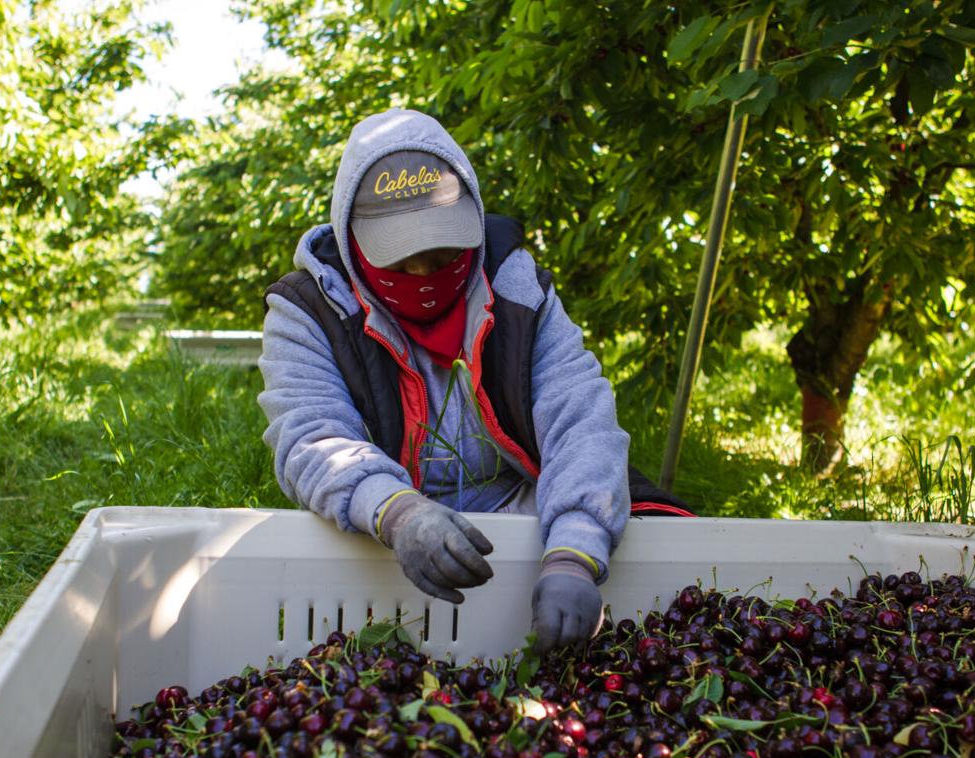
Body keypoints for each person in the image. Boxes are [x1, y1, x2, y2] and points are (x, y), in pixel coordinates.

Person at [258, 109, 690, 653]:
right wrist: (398, 510)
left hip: (519, 508)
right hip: (379, 529)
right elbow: (313, 437)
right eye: (401, 259)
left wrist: (574, 553)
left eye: (442, 254)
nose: (423, 276)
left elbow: (580, 417)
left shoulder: (516, 291)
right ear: (352, 243)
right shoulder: (310, 311)